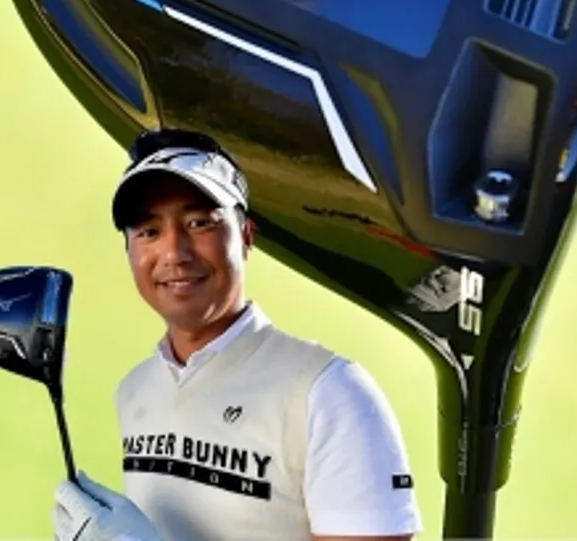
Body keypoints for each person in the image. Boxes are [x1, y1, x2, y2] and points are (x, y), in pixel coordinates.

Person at [51, 128, 422, 541]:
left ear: (246, 236)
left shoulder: (329, 392)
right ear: (129, 251)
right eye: (148, 232)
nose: (174, 253)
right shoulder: (135, 389)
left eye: (199, 223)